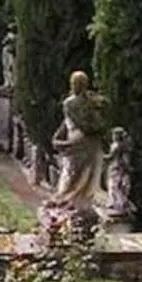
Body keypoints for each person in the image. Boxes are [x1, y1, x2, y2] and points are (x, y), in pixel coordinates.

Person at [48, 70, 104, 212]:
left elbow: (87, 124)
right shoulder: (84, 102)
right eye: (73, 83)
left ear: (83, 85)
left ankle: (75, 210)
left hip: (82, 144)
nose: (74, 86)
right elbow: (67, 123)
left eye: (77, 83)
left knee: (84, 181)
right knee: (72, 179)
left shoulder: (73, 103)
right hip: (79, 145)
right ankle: (68, 210)